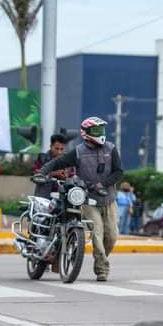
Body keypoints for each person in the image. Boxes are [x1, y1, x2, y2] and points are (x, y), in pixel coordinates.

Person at [38, 116, 124, 281]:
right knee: (97, 234)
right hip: (88, 201)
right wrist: (43, 171)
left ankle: (101, 259)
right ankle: (102, 269)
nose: (100, 133)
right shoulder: (78, 152)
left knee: (112, 236)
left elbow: (119, 172)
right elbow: (58, 162)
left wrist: (102, 184)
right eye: (96, 130)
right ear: (86, 133)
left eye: (102, 130)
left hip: (109, 199)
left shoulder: (111, 148)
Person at [32, 134, 74, 198]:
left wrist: (65, 177)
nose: (59, 152)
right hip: (43, 197)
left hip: (61, 198)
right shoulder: (41, 158)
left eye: (62, 149)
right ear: (51, 146)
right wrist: (53, 174)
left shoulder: (68, 161)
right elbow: (35, 177)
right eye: (56, 148)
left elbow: (73, 180)